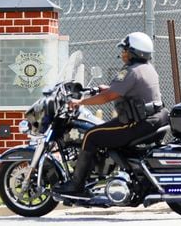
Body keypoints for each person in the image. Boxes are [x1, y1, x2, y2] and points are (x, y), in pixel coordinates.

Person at [53, 32, 169, 197]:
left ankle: (76, 185)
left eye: (126, 50)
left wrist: (79, 102)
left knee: (91, 135)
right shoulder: (147, 68)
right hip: (153, 119)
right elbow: (126, 90)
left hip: (136, 124)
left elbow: (108, 97)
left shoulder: (130, 71)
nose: (122, 53)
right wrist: (107, 88)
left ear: (135, 52)